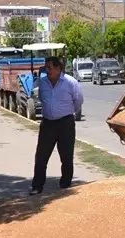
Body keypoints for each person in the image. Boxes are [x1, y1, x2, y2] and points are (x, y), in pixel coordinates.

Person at [30, 56, 84, 196]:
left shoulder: (70, 82)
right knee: (41, 156)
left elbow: (78, 100)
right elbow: (42, 98)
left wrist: (67, 112)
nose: (47, 70)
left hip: (65, 123)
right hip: (47, 123)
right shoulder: (42, 82)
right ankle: (37, 186)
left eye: (50, 67)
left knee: (66, 156)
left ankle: (65, 184)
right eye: (45, 67)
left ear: (58, 68)